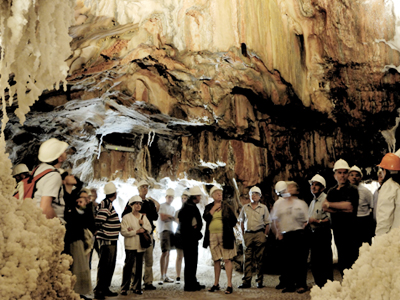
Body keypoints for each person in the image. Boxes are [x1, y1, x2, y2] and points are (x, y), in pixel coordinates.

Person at [322, 159, 359, 276]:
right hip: (338, 231)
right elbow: (324, 207)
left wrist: (331, 206)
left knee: (352, 260)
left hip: (351, 230)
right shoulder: (331, 191)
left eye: (344, 172)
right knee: (342, 259)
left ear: (347, 174)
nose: (342, 175)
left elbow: (349, 207)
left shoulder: (352, 189)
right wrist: (340, 207)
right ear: (335, 175)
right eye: (340, 172)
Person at [272, 181, 309, 293]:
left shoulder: (301, 204)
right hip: (286, 234)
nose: (290, 190)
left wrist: (302, 230)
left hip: (298, 234)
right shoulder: (280, 204)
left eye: (292, 187)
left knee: (300, 261)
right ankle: (289, 285)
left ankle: (301, 284)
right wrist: (278, 233)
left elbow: (306, 220)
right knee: (287, 261)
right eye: (288, 188)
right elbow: (275, 218)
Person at [203, 186, 237, 295]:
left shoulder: (227, 207)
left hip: (225, 235)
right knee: (216, 259)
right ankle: (216, 284)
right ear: (212, 196)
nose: (219, 195)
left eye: (221, 193)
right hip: (212, 235)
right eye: (217, 193)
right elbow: (206, 218)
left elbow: (234, 221)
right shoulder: (209, 207)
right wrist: (213, 209)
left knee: (227, 259)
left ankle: (229, 285)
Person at [238, 186, 270, 289]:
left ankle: (259, 281)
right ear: (249, 196)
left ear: (260, 196)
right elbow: (241, 222)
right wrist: (243, 234)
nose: (254, 195)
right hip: (248, 234)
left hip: (259, 233)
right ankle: (246, 281)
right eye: (252, 193)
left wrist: (265, 235)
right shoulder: (245, 207)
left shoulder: (263, 208)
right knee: (247, 258)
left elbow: (268, 223)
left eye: (256, 194)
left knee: (259, 259)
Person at [93, 182, 121, 300]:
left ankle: (105, 288)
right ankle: (100, 290)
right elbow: (99, 221)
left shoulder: (107, 203)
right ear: (114, 193)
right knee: (105, 265)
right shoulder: (106, 205)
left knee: (109, 265)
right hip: (107, 240)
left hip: (110, 239)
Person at [120, 196, 152, 296]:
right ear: (131, 205)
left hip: (140, 245)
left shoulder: (143, 217)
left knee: (139, 267)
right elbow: (123, 231)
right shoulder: (126, 217)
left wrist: (143, 226)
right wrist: (136, 231)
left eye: (139, 203)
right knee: (128, 266)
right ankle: (124, 287)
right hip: (130, 245)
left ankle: (137, 287)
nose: (138, 205)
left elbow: (149, 228)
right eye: (136, 203)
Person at [33, 138, 68, 222]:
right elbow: (45, 208)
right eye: (63, 151)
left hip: (34, 218)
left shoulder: (39, 169)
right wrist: (59, 225)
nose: (66, 153)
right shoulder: (53, 175)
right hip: (47, 224)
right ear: (60, 158)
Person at [307, 175, 333, 288]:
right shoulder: (312, 202)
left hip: (323, 234)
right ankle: (319, 284)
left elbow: (330, 219)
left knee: (324, 261)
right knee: (315, 262)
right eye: (312, 184)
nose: (313, 187)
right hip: (313, 234)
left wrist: (317, 221)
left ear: (322, 188)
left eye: (316, 184)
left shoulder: (326, 200)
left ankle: (327, 286)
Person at [178, 186, 205, 292]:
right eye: (199, 196)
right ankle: (189, 285)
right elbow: (192, 223)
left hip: (188, 238)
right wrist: (195, 229)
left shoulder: (187, 205)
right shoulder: (190, 207)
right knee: (191, 261)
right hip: (190, 238)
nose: (200, 198)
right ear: (195, 196)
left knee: (190, 261)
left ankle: (192, 282)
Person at [348, 165, 374, 246]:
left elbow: (372, 206)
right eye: (351, 175)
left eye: (357, 175)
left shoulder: (366, 192)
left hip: (363, 222)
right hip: (351, 221)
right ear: (348, 177)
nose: (354, 177)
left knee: (365, 247)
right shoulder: (346, 191)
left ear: (360, 177)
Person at [375, 153, 400, 236]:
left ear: (385, 170)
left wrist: (379, 240)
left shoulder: (389, 186)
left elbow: (384, 218)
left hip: (394, 237)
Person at [157, 188, 176, 284]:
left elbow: (174, 219)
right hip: (164, 231)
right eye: (169, 197)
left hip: (171, 231)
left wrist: (169, 217)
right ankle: (162, 275)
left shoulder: (173, 208)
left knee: (168, 253)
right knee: (164, 252)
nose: (170, 199)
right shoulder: (162, 206)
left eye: (172, 197)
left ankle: (165, 275)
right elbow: (162, 217)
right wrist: (170, 217)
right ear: (166, 197)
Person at [174, 189, 190, 284]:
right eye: (183, 198)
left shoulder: (190, 210)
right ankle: (178, 275)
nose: (184, 200)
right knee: (179, 256)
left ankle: (187, 275)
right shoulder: (178, 211)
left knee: (187, 256)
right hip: (180, 234)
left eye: (185, 198)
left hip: (187, 235)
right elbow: (178, 222)